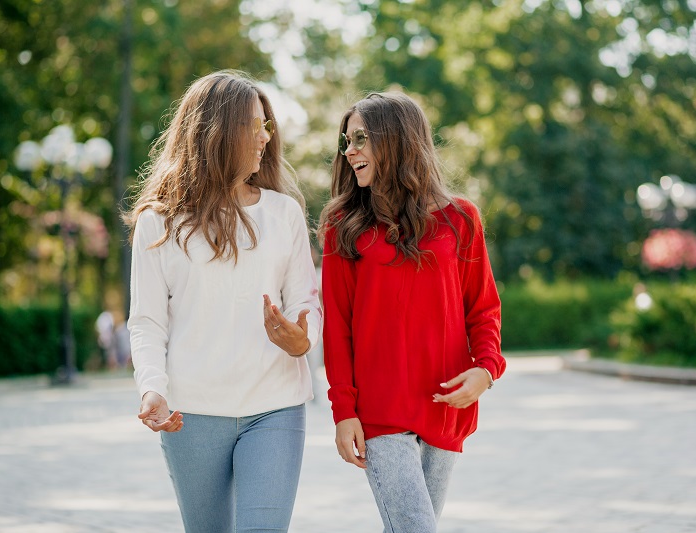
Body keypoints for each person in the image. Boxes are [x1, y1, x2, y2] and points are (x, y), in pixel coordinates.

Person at [126, 70, 321, 533]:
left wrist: (299, 342)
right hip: (190, 414)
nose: (266, 138)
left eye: (266, 125)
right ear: (216, 131)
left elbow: (304, 306)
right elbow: (147, 321)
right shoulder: (159, 223)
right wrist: (152, 387)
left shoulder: (284, 213)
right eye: (254, 125)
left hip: (275, 407)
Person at [317, 92, 505, 533]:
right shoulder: (343, 226)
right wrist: (343, 410)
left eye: (361, 138)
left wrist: (487, 369)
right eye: (346, 141)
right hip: (381, 413)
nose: (350, 150)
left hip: (446, 405)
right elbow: (338, 328)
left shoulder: (461, 219)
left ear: (397, 140)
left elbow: (483, 308)